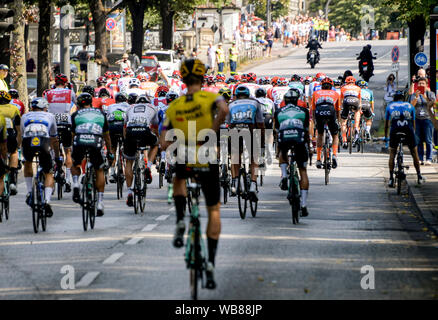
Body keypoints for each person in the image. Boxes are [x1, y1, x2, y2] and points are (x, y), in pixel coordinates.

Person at [160, 58, 229, 289]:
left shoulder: (175, 104)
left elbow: (162, 139)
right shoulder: (211, 96)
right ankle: (210, 261)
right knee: (214, 210)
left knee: (178, 177)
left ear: (182, 78)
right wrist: (213, 128)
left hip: (183, 154)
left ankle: (180, 219)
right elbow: (225, 109)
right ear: (202, 78)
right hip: (206, 154)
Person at [71, 93, 113, 217]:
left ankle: (76, 184)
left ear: (79, 105)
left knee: (75, 163)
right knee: (99, 169)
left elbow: (72, 135)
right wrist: (110, 151)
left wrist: (69, 151)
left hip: (80, 139)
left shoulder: (75, 114)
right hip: (96, 140)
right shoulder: (101, 114)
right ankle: (100, 202)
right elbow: (107, 136)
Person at [275, 88, 310, 217]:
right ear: (297, 100)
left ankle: (284, 175)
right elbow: (306, 131)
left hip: (284, 137)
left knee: (282, 152)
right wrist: (309, 148)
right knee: (303, 171)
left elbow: (277, 130)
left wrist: (278, 149)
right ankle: (304, 204)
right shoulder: (303, 111)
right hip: (299, 139)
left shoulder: (279, 111)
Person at [22, 98, 59, 217]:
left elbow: (22, 134)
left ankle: (29, 192)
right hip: (44, 142)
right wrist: (57, 155)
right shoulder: (49, 116)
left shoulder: (25, 116)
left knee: (27, 162)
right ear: (44, 107)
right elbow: (54, 138)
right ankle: (47, 201)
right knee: (49, 172)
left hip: (28, 141)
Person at [228, 85, 265, 200]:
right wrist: (262, 140)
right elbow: (260, 123)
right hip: (250, 130)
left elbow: (229, 124)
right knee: (254, 157)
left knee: (235, 156)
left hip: (235, 130)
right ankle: (253, 184)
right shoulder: (255, 103)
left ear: (236, 95)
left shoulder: (231, 104)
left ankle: (235, 182)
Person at [124, 99, 159, 207]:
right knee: (155, 145)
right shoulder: (152, 107)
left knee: (129, 162)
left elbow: (124, 126)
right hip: (144, 130)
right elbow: (155, 126)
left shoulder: (129, 108)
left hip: (130, 132)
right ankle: (148, 166)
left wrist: (126, 140)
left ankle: (129, 192)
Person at [44, 73, 76, 193]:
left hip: (52, 122)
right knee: (68, 151)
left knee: (52, 149)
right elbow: (76, 106)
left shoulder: (48, 93)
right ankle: (68, 179)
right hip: (66, 122)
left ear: (55, 83)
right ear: (66, 83)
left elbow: (45, 108)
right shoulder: (70, 92)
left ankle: (51, 176)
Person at [385, 90, 424, 186]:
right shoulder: (410, 106)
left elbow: (387, 124)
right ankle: (419, 176)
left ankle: (390, 178)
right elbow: (413, 123)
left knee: (392, 153)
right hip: (408, 131)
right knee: (414, 153)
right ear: (404, 98)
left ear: (394, 98)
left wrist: (386, 138)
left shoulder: (390, 106)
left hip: (395, 131)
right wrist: (413, 135)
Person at [311, 78, 341, 169]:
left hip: (319, 112)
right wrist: (338, 122)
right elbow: (338, 110)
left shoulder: (315, 93)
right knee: (335, 134)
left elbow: (313, 109)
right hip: (331, 111)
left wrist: (315, 121)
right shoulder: (336, 93)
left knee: (320, 134)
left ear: (321, 86)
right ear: (331, 86)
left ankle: (319, 159)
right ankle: (335, 155)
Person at [409, 77, 436, 165]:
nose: (421, 85)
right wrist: (416, 97)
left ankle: (429, 158)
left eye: (422, 83)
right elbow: (411, 106)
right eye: (419, 83)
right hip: (417, 119)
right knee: (418, 140)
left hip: (427, 119)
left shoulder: (430, 93)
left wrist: (426, 97)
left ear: (426, 84)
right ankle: (420, 158)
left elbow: (433, 105)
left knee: (428, 139)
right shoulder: (414, 94)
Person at [0, 90, 21, 196]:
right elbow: (18, 129)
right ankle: (12, 180)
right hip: (10, 133)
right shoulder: (14, 109)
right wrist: (19, 143)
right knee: (14, 152)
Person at [340, 76, 362, 148]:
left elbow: (341, 100)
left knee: (343, 122)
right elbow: (360, 100)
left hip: (346, 101)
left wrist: (341, 108)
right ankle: (356, 126)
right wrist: (360, 109)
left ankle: (344, 140)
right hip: (355, 101)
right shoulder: (358, 88)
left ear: (346, 82)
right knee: (357, 111)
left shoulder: (343, 88)